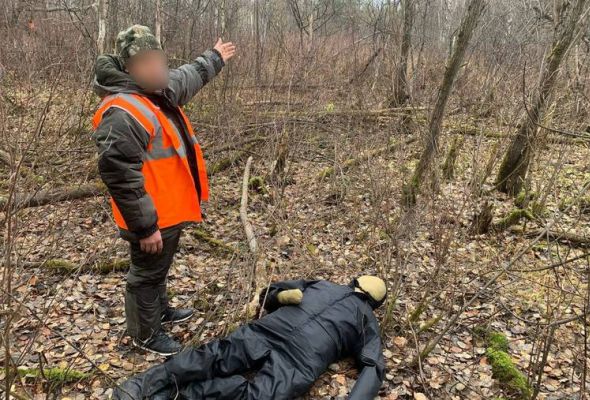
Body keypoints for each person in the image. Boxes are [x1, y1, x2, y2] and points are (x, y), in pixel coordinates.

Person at [91, 24, 236, 355]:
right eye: (147, 62)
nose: (157, 68)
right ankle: (145, 335)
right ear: (128, 68)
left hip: (167, 211)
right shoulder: (123, 110)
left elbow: (188, 75)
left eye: (159, 60)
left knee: (158, 270)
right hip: (150, 217)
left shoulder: (157, 91)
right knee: (145, 275)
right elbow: (118, 174)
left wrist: (214, 57)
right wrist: (145, 227)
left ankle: (161, 313)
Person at [112, 275, 387, 400]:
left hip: (270, 332)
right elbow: (372, 367)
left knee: (213, 356)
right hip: (301, 358)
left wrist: (279, 297)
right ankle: (180, 394)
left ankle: (145, 386)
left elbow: (270, 293)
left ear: (354, 282)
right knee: (258, 394)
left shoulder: (322, 284)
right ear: (376, 303)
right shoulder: (367, 321)